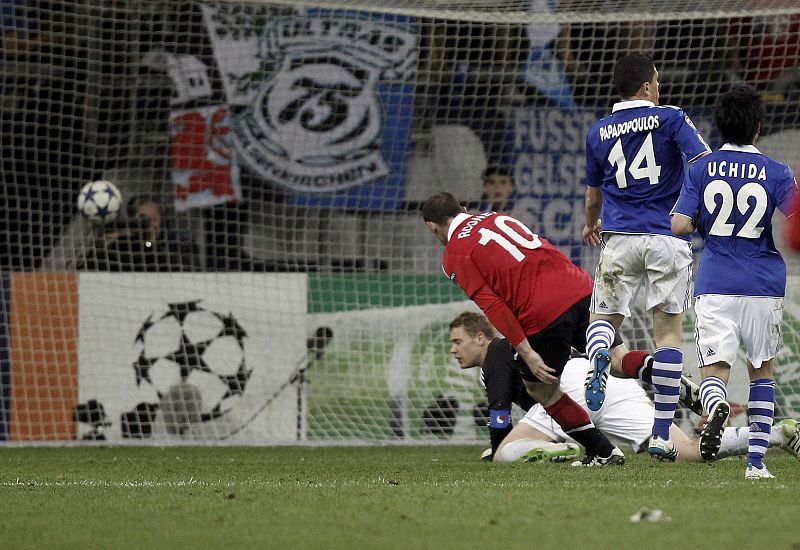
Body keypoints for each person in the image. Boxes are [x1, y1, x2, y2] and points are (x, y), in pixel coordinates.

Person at [423, 191, 628, 466]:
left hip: (544, 312)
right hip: (580, 287)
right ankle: (693, 395)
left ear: (432, 227)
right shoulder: (495, 217)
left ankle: (603, 451)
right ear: (463, 207)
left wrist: (526, 351)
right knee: (619, 360)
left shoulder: (454, 254)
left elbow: (492, 305)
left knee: (542, 390)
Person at [448, 311, 800, 464]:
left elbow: (498, 412)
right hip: (604, 381)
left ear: (481, 337)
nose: (454, 350)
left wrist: (498, 447)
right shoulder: (508, 351)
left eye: (458, 341)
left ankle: (567, 452)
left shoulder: (496, 350)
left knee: (506, 454)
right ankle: (774, 434)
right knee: (685, 451)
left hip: (567, 387)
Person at [582, 52, 712, 461]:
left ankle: (600, 353)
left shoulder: (598, 131)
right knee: (668, 336)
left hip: (618, 238)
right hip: (665, 239)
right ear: (646, 86)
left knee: (603, 321)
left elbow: (593, 193)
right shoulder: (670, 117)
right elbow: (704, 164)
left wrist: (591, 223)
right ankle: (660, 434)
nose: (659, 87)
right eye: (656, 80)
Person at [671, 85, 798, 479]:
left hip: (716, 282)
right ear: (759, 127)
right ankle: (756, 463)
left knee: (715, 372)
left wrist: (703, 221)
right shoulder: (778, 172)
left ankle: (716, 408)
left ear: (719, 126)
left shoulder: (701, 169)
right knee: (762, 372)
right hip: (763, 284)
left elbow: (679, 224)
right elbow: (795, 220)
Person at [81, 194, 200, 272]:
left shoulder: (181, 242)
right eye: (143, 219)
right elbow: (98, 267)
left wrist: (149, 242)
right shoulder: (123, 245)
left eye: (153, 220)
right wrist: (101, 243)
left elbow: (180, 271)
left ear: (162, 221)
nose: (148, 224)